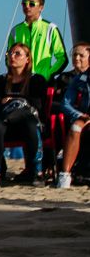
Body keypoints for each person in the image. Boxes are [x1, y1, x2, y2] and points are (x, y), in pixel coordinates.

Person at [0, 43, 47, 185]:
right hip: (7, 125)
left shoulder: (37, 80)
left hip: (28, 123)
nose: (12, 56)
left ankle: (37, 172)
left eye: (17, 53)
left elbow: (38, 106)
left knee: (30, 122)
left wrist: (14, 100)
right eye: (10, 53)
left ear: (27, 59)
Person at [6, 0, 68, 80]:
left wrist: (49, 74)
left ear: (41, 7)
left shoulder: (50, 28)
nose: (27, 6)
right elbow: (8, 55)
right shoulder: (15, 30)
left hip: (41, 82)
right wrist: (14, 74)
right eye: (24, 3)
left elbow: (62, 58)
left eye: (31, 4)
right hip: (20, 81)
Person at [56, 42, 90, 189]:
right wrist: (80, 115)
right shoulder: (78, 79)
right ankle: (65, 174)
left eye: (81, 55)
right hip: (85, 116)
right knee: (76, 127)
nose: (77, 58)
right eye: (75, 55)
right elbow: (65, 103)